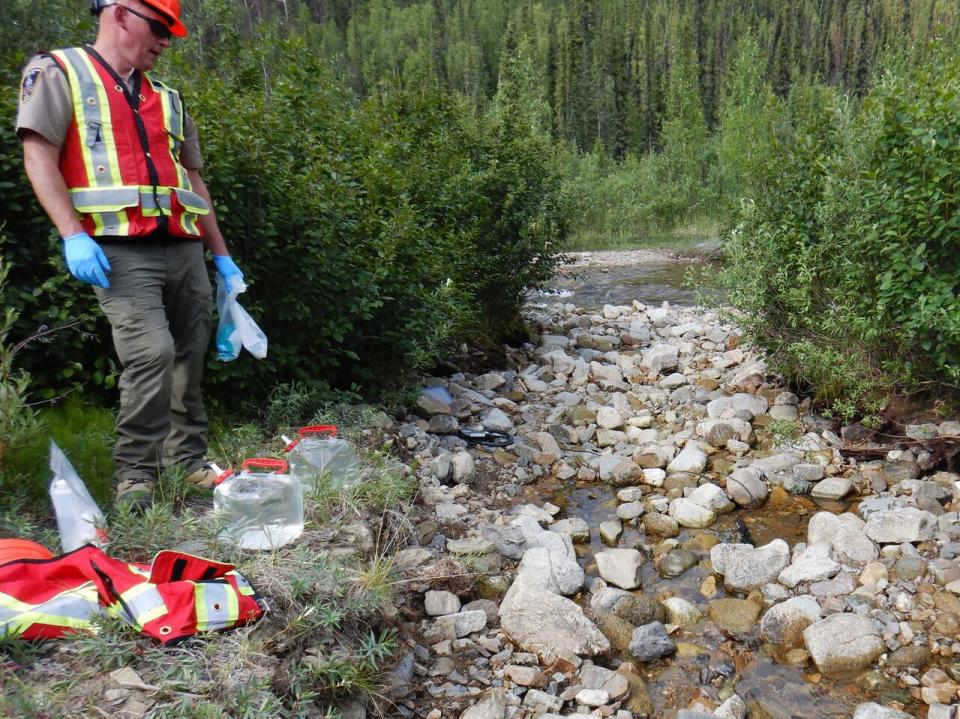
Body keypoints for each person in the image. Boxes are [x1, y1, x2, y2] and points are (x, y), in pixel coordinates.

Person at [16, 0, 243, 510]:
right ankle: (135, 474)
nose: (167, 40)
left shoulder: (169, 99)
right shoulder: (57, 72)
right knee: (151, 353)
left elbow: (194, 180)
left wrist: (223, 258)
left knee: (190, 351)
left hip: (183, 247)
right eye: (159, 27)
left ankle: (187, 462)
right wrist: (72, 234)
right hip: (118, 249)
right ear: (119, 15)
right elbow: (38, 154)